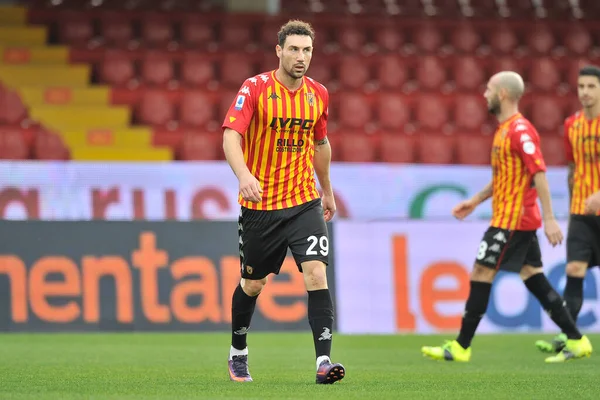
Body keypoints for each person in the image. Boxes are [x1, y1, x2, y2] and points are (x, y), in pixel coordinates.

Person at [421, 71, 593, 363]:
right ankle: (577, 340)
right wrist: (475, 201)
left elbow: (539, 173)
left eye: (488, 89)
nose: (484, 94)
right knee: (533, 276)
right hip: (509, 217)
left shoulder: (521, 132)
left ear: (502, 94)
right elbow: (503, 177)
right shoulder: (504, 130)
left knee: (481, 273)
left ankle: (462, 346)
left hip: (512, 221)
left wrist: (550, 218)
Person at [221, 19, 345, 384]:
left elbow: (320, 144)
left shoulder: (318, 94)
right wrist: (244, 176)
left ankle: (323, 363)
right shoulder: (255, 88)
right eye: (293, 49)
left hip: (304, 201)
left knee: (316, 273)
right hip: (261, 207)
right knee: (253, 285)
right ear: (278, 51)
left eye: (307, 50)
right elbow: (231, 136)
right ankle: (238, 353)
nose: (300, 57)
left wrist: (326, 189)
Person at [536, 65, 600, 354]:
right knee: (574, 269)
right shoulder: (570, 126)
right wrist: (576, 198)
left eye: (591, 87)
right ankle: (570, 339)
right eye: (581, 86)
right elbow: (573, 166)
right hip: (581, 213)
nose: (585, 92)